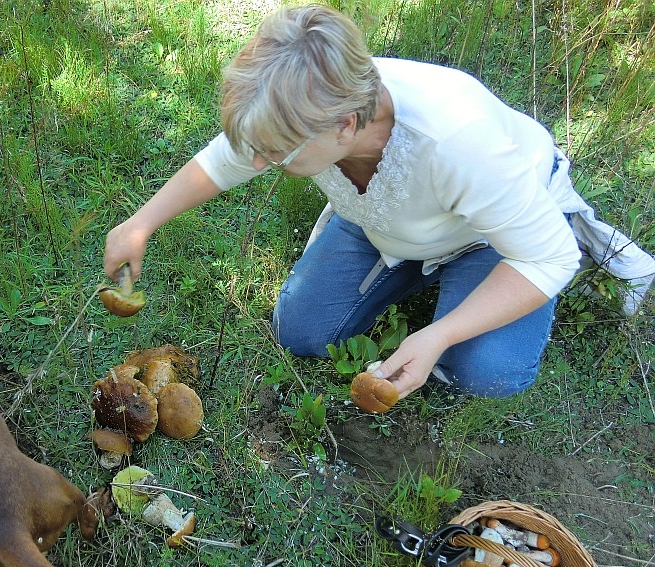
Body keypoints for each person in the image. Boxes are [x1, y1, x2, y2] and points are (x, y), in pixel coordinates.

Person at [103, 4, 653, 400]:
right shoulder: (308, 109)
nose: (256, 164)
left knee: (486, 371)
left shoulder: (458, 142)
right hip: (389, 223)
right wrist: (142, 222)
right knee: (301, 331)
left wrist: (438, 335)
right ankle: (421, 268)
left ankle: (484, 270)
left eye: (274, 153)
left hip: (491, 236)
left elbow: (547, 259)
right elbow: (230, 157)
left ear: (344, 126)